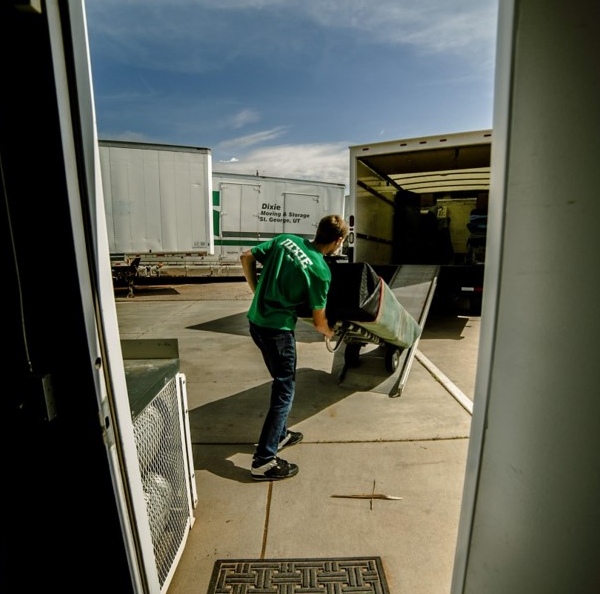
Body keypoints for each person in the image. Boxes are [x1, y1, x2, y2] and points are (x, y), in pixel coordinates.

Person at [240, 214, 349, 481]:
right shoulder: (320, 270)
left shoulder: (286, 240)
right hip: (278, 332)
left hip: (256, 323)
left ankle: (281, 434)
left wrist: (256, 289)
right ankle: (264, 461)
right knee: (284, 389)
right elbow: (319, 320)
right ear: (337, 241)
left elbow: (246, 257)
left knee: (279, 381)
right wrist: (330, 331)